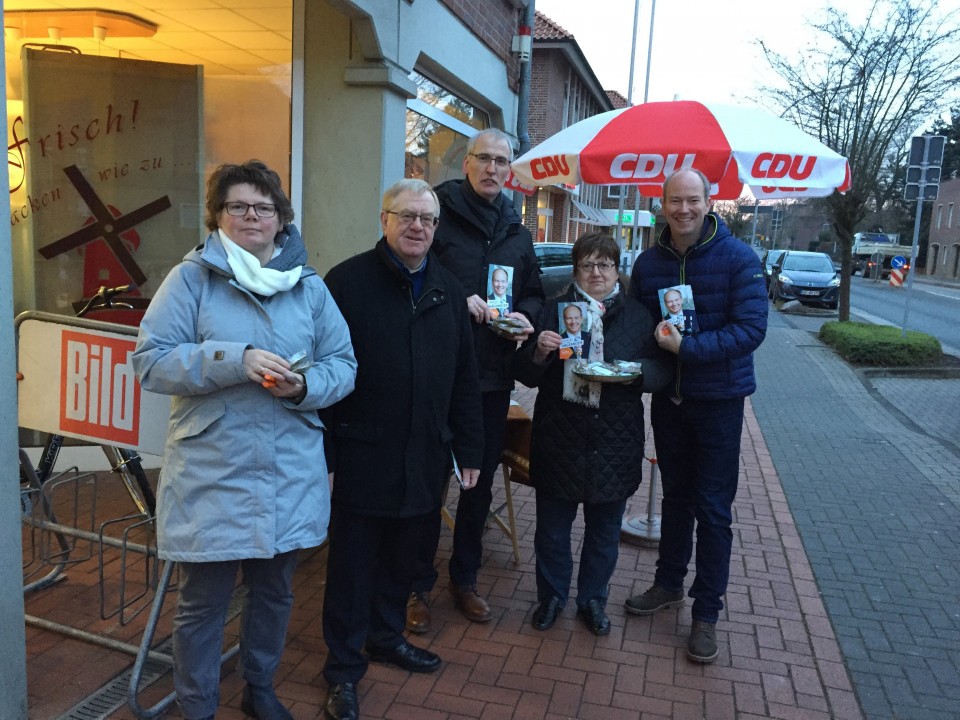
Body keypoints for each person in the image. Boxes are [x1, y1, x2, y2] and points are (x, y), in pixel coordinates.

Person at [132, 160, 357, 720]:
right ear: (219, 216)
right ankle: (197, 705)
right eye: (238, 206)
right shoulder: (190, 279)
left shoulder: (308, 288)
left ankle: (259, 688)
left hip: (286, 466)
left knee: (275, 593)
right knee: (202, 602)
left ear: (282, 219)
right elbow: (151, 363)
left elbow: (345, 365)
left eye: (263, 207)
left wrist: (304, 385)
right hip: (214, 468)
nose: (251, 216)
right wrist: (237, 359)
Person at [320, 178, 484, 720]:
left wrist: (470, 450)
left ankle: (386, 638)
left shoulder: (448, 288)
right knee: (352, 566)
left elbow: (465, 379)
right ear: (384, 220)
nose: (418, 226)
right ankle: (342, 669)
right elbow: (324, 375)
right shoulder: (345, 283)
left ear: (436, 229)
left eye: (428, 220)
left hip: (425, 455)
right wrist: (325, 460)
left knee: (404, 560)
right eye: (407, 216)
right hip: (363, 451)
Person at [624, 168, 767, 664]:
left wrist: (689, 345)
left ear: (710, 202)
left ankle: (707, 613)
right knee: (675, 500)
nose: (683, 209)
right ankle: (668, 584)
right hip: (671, 402)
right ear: (662, 205)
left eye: (693, 200)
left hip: (719, 404)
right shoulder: (648, 264)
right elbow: (640, 327)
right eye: (675, 201)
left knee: (713, 510)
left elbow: (750, 330)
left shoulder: (739, 259)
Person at [406, 128, 544, 633]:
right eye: (483, 159)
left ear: (510, 170)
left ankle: (464, 579)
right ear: (467, 164)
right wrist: (455, 295)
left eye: (501, 161)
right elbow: (409, 272)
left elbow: (532, 292)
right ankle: (415, 587)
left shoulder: (516, 229)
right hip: (436, 374)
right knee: (427, 485)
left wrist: (527, 316)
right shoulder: (435, 214)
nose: (492, 168)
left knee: (478, 486)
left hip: (490, 380)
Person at [513, 232, 670, 636]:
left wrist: (635, 372)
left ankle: (593, 599)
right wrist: (538, 352)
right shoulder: (553, 311)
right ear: (576, 269)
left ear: (618, 270)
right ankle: (551, 596)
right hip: (559, 437)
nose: (596, 272)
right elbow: (526, 376)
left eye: (605, 264)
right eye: (587, 264)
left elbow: (662, 370)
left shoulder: (638, 316)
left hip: (614, 442)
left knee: (604, 533)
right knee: (551, 529)